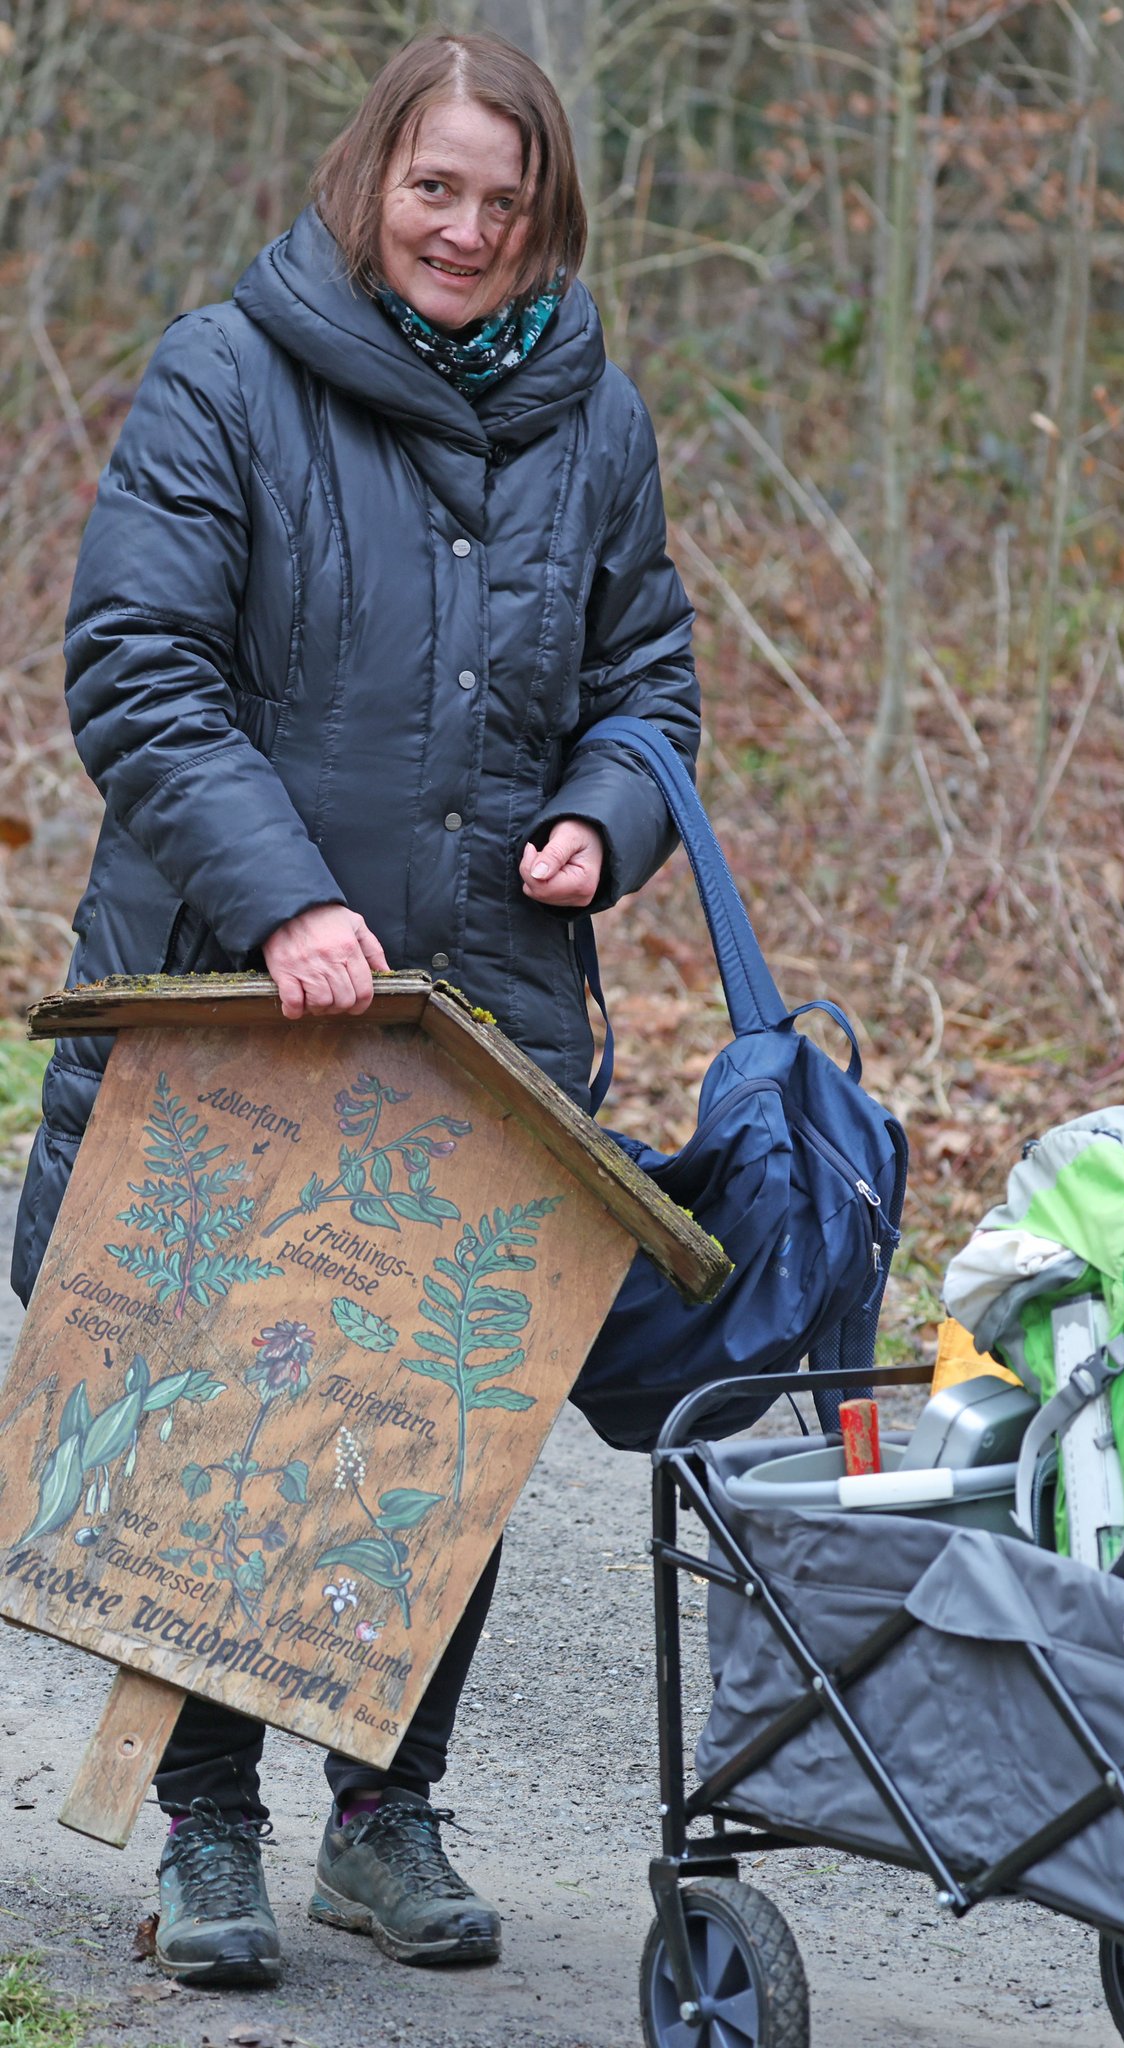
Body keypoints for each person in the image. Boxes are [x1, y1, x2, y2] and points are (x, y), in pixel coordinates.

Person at [10, 28, 699, 1988]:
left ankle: (387, 1815)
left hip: (484, 1008)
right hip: (246, 997)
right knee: (225, 1390)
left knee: (438, 1395)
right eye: (433, 187)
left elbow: (647, 680)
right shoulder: (224, 376)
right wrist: (288, 900)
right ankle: (209, 1826)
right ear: (369, 179)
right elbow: (139, 667)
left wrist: (606, 814)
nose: (464, 229)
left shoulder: (596, 422)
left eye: (502, 200)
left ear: (547, 217)